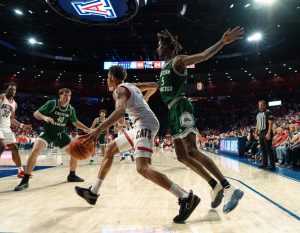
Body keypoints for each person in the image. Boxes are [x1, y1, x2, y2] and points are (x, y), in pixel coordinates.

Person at [74, 66, 200, 223]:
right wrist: (145, 98)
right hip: (140, 125)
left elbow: (120, 112)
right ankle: (93, 193)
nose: (107, 79)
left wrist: (97, 131)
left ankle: (186, 197)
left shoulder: (119, 90)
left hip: (145, 124)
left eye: (108, 76)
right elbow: (155, 84)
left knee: (143, 168)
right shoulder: (133, 86)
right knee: (110, 150)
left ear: (112, 76)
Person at [156, 27, 244, 213]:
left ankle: (229, 187)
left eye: (159, 45)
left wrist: (222, 41)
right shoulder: (164, 67)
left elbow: (203, 55)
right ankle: (214, 185)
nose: (157, 49)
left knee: (192, 151)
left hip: (181, 107)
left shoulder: (178, 61)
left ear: (167, 46)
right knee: (181, 156)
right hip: (172, 111)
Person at [14, 88, 91, 191]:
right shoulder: (52, 104)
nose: (67, 98)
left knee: (75, 151)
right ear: (60, 96)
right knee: (35, 150)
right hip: (48, 133)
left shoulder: (70, 109)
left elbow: (75, 122)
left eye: (69, 96)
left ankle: (72, 175)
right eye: (65, 96)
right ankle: (25, 180)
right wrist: (45, 117)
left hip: (61, 134)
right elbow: (36, 114)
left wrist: (88, 129)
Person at [0, 83, 32, 178]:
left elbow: (12, 119)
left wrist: (22, 126)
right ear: (5, 90)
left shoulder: (15, 104)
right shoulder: (2, 97)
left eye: (14, 89)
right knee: (2, 146)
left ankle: (21, 171)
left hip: (6, 128)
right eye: (10, 89)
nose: (12, 91)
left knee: (15, 148)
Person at [255, 100, 275, 170]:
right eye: (259, 105)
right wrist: (256, 131)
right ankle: (265, 163)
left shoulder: (268, 112)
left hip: (267, 131)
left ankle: (272, 165)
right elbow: (257, 123)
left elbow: (271, 123)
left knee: (268, 149)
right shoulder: (258, 113)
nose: (260, 106)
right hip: (261, 132)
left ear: (264, 105)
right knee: (263, 149)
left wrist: (269, 133)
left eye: (261, 105)